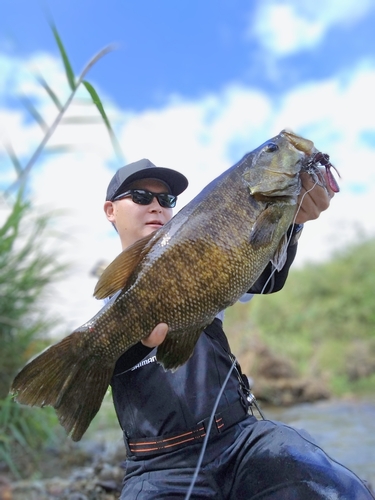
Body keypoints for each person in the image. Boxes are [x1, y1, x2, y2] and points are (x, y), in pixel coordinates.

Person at [103, 158, 374, 499]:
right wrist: (139, 341)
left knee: (330, 487)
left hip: (242, 440)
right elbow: (102, 364)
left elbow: (267, 277)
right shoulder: (106, 308)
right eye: (141, 196)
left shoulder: (207, 256)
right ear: (111, 210)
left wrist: (290, 222)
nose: (156, 206)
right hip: (157, 467)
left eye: (166, 200)